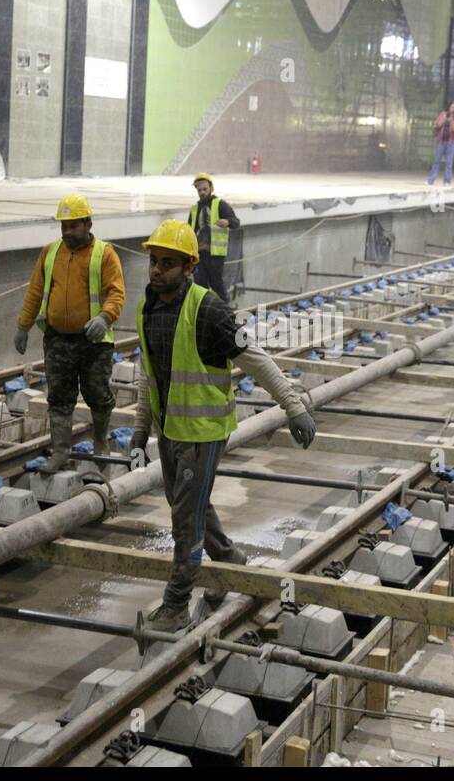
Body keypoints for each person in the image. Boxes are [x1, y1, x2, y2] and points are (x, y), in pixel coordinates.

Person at [130, 219, 317, 632]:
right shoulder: (150, 307)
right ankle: (230, 561)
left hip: (201, 433)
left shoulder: (209, 310)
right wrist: (141, 427)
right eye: (154, 261)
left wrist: (293, 406)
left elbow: (255, 358)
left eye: (169, 263)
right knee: (190, 504)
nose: (158, 269)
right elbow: (149, 371)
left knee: (185, 520)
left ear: (189, 268)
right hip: (169, 431)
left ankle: (176, 605)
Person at [14, 194, 125, 467]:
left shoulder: (104, 254)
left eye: (72, 226)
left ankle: (101, 444)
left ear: (88, 223)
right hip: (57, 340)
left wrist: (105, 317)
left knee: (98, 395)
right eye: (63, 226)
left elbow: (116, 293)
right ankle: (61, 452)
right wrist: (23, 326)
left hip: (93, 342)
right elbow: (35, 291)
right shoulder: (51, 252)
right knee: (60, 397)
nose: (66, 232)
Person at [187, 173, 240, 301]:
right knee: (200, 287)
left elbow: (236, 222)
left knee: (217, 284)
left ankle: (225, 310)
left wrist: (227, 222)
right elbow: (189, 230)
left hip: (215, 255)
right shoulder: (194, 209)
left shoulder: (220, 204)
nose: (202, 192)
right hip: (199, 255)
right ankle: (204, 311)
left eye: (205, 189)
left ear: (211, 188)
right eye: (199, 190)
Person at [428, 103, 454, 185]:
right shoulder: (443, 114)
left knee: (449, 162)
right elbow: (437, 125)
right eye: (451, 106)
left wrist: (451, 120)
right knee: (436, 161)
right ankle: (431, 180)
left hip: (452, 141)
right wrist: (443, 119)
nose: (452, 108)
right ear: (449, 107)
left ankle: (447, 181)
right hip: (441, 140)